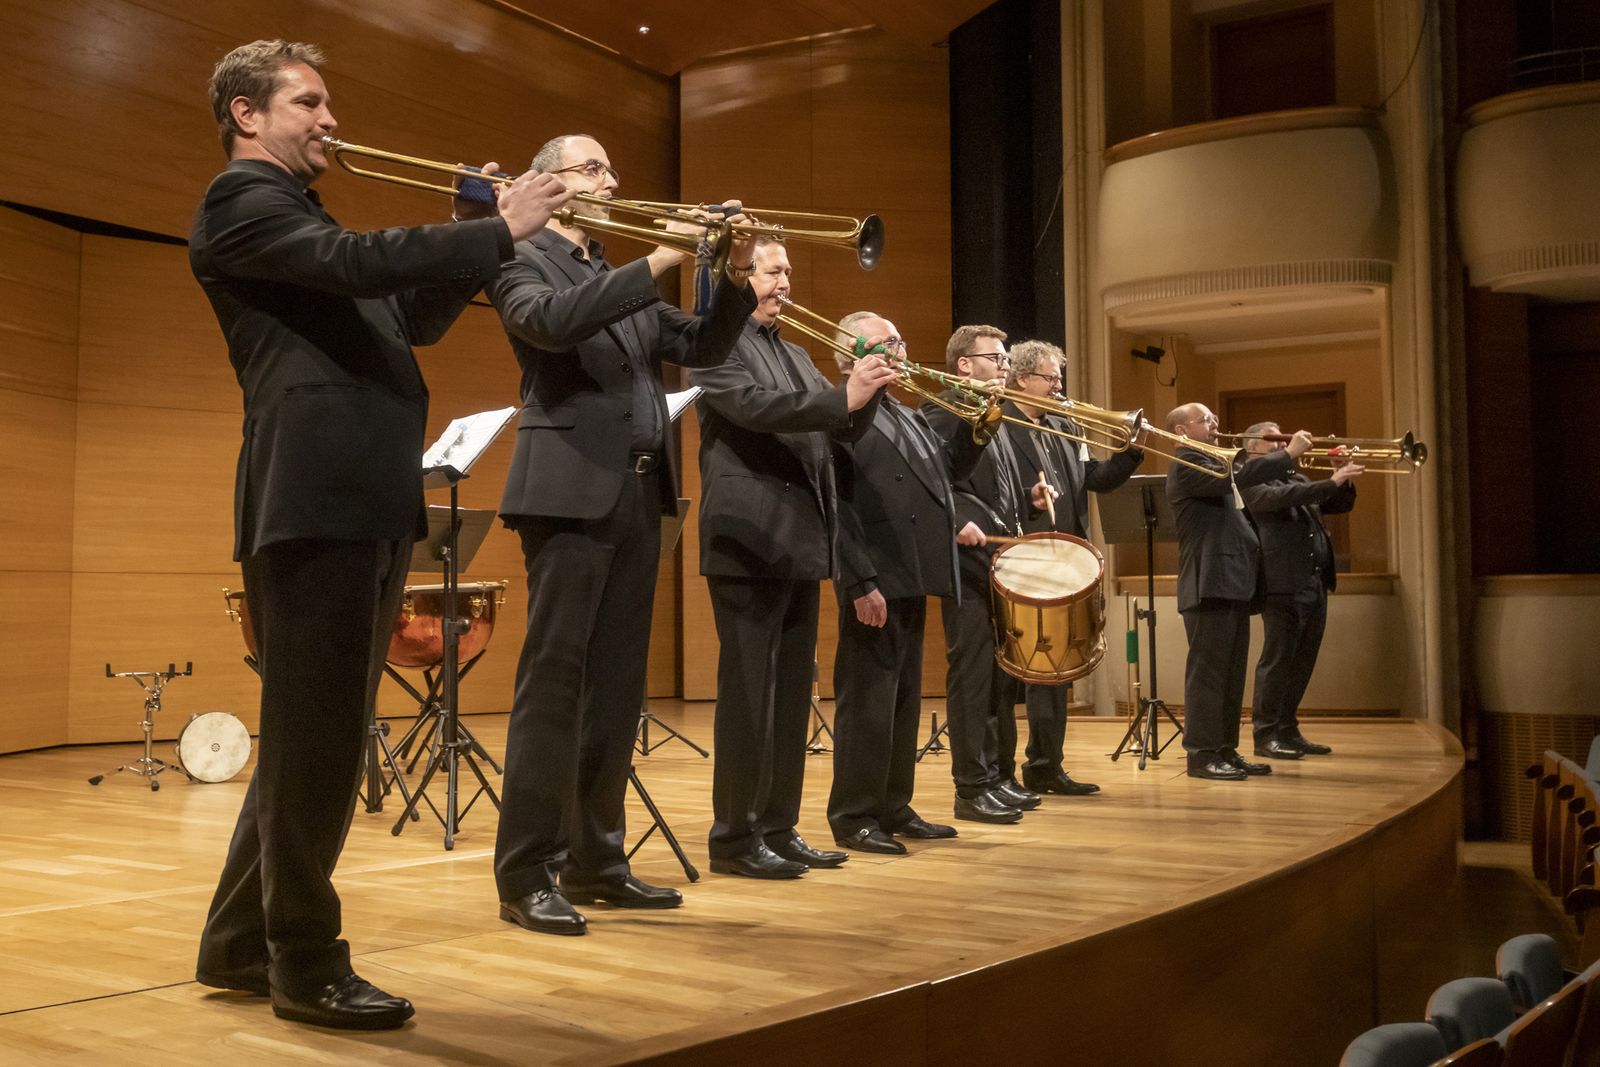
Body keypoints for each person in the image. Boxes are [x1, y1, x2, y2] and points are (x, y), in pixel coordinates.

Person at [190, 40, 569, 1029]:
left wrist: (472, 226)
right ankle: (306, 962)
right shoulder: (242, 204)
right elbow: (355, 261)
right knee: (320, 749)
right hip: (313, 500)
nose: (329, 120)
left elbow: (406, 314)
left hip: (353, 500)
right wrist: (496, 235)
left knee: (306, 747)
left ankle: (239, 942)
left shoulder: (303, 219)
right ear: (245, 114)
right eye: (309, 102)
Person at [482, 135, 758, 935]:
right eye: (594, 167)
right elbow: (551, 327)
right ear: (551, 182)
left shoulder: (610, 275)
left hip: (639, 497)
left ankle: (597, 860)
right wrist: (663, 256)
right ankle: (526, 869)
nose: (612, 179)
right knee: (555, 688)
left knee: (616, 691)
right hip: (567, 495)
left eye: (610, 167)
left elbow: (701, 346)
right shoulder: (521, 255)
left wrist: (730, 276)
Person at [692, 238, 897, 879]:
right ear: (741, 277)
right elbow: (758, 410)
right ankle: (733, 838)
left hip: (800, 540)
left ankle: (778, 827)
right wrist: (846, 395)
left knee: (788, 699)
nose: (787, 282)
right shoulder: (717, 343)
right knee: (750, 695)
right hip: (748, 538)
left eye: (788, 271)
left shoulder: (800, 353)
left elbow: (833, 431)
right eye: (774, 271)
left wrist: (867, 396)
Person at [827, 312, 985, 854]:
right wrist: (858, 579)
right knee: (867, 701)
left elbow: (944, 472)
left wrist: (976, 429)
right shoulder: (843, 411)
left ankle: (893, 805)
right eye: (893, 341)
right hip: (874, 574)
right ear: (855, 351)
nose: (903, 348)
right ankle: (854, 815)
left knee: (903, 701)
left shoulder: (903, 411)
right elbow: (838, 505)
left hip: (911, 570)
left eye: (901, 339)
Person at [997, 340, 1144, 796]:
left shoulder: (1063, 424)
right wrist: (1029, 497)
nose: (1059, 385)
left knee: (1054, 672)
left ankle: (1045, 766)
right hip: (1022, 558)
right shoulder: (1000, 423)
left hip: (1066, 557)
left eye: (1059, 377)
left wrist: (1130, 453)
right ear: (1023, 379)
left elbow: (1092, 480)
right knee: (1016, 670)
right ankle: (999, 773)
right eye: (1051, 377)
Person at [921, 327, 1052, 823]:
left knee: (1001, 679)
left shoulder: (993, 414)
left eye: (1004, 357)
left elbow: (987, 488)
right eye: (994, 357)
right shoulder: (944, 408)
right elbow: (935, 480)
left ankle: (998, 775)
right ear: (963, 366)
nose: (1003, 364)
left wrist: (1027, 499)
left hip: (997, 560)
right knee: (973, 676)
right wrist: (956, 520)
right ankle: (970, 785)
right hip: (966, 563)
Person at [1163, 403, 1309, 782]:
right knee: (1209, 677)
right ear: (1181, 431)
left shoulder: (1214, 464)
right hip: (1209, 583)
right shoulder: (1186, 461)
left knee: (1230, 676)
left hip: (1231, 583)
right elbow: (1240, 473)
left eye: (1214, 417)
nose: (1214, 424)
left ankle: (1225, 750)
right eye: (1204, 420)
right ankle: (1202, 755)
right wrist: (1286, 455)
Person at [1240, 421, 1363, 759]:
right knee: (1278, 661)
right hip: (1281, 583)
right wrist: (1328, 481)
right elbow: (1277, 499)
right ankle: (1265, 735)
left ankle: (1287, 728)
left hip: (1314, 581)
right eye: (1274, 440)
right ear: (1254, 449)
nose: (1283, 444)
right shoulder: (1251, 479)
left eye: (1283, 438)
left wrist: (1342, 476)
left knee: (1302, 661)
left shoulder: (1298, 477)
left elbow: (1337, 504)